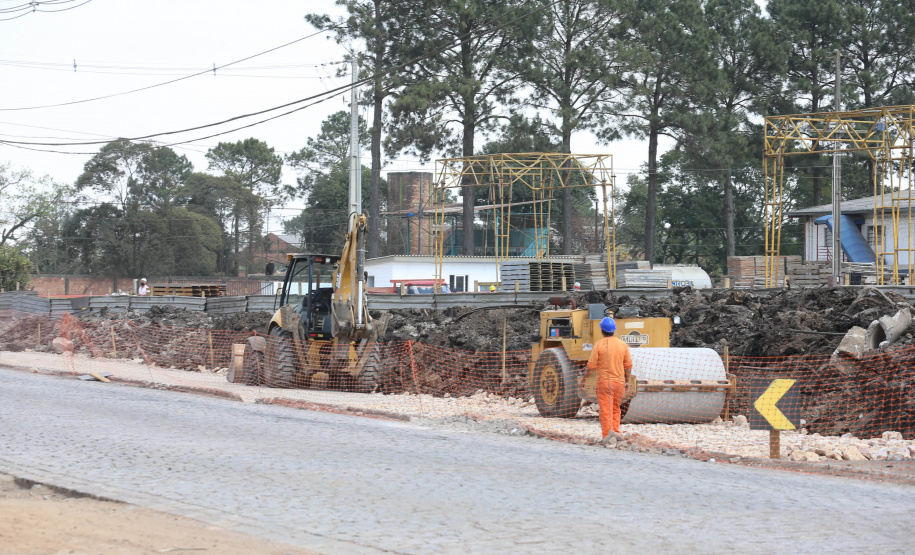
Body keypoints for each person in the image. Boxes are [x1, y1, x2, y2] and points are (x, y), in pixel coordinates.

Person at [586, 316, 633, 441]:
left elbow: (591, 365)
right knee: (616, 409)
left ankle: (607, 436)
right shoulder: (622, 344)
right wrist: (627, 381)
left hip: (604, 384)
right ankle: (616, 433)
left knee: (606, 410)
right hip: (619, 384)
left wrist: (584, 380)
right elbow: (628, 365)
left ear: (601, 330)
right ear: (614, 330)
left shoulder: (599, 345)